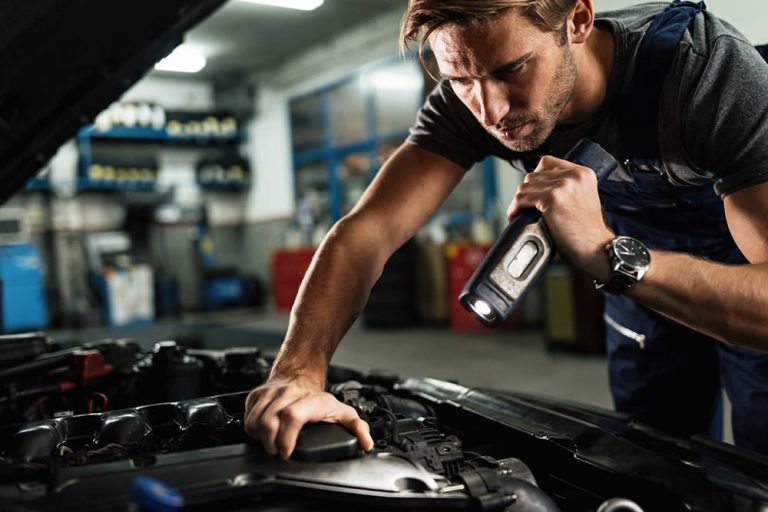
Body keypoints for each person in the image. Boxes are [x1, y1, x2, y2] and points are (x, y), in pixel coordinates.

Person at [245, 0, 768, 459]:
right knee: (657, 460)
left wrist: (609, 253)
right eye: (461, 80)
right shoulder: (467, 103)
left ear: (578, 20)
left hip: (737, 271)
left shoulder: (705, 73)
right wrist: (299, 371)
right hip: (634, 282)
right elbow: (368, 230)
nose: (491, 109)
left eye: (512, 69)